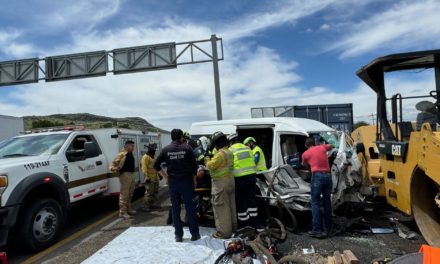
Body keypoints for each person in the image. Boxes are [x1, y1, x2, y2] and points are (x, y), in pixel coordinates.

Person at [154, 129, 200, 242]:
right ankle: (194, 234)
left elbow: (155, 165)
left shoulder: (166, 149)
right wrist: (194, 180)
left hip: (173, 183)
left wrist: (166, 177)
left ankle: (178, 235)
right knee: (190, 208)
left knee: (175, 208)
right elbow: (194, 167)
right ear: (181, 138)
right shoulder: (187, 148)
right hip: (187, 182)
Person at [205, 132, 236, 238]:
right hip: (230, 181)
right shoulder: (229, 152)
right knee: (231, 206)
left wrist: (207, 158)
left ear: (217, 143)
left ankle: (224, 232)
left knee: (221, 208)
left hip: (220, 183)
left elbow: (211, 165)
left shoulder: (220, 154)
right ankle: (233, 228)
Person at [301, 137, 334, 238]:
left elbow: (305, 165)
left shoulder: (305, 154)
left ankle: (317, 230)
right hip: (328, 176)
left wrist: (311, 170)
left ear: (306, 146)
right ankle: (328, 229)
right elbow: (332, 146)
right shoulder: (322, 147)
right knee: (327, 202)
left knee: (315, 203)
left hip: (317, 177)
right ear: (314, 143)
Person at [228, 134, 258, 228]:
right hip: (252, 176)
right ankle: (255, 221)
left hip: (240, 178)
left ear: (231, 142)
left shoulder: (230, 150)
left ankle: (244, 224)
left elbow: (229, 165)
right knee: (251, 199)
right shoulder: (247, 148)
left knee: (241, 201)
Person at [110, 140, 137, 219]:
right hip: (125, 175)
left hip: (131, 175)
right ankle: (122, 212)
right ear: (127, 146)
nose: (133, 147)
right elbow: (113, 163)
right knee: (124, 194)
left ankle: (128, 209)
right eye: (132, 146)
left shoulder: (130, 153)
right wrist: (113, 168)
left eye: (133, 146)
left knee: (130, 193)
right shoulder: (122, 154)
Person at [140, 143, 161, 212]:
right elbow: (144, 168)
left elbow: (156, 167)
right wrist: (146, 177)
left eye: (154, 148)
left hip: (155, 177)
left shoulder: (153, 156)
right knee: (149, 193)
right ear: (149, 148)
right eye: (153, 148)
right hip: (150, 178)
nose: (154, 150)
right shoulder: (145, 157)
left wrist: (159, 174)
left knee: (155, 192)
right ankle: (145, 206)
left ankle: (152, 204)